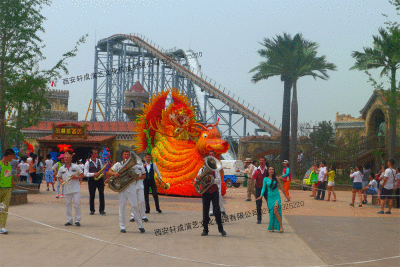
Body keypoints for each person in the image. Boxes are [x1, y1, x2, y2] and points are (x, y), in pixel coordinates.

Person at [106, 150, 146, 233]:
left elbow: (138, 175)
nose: (126, 156)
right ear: (122, 156)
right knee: (122, 207)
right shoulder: (118, 164)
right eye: (125, 154)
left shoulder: (134, 165)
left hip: (131, 187)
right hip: (122, 188)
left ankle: (140, 225)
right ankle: (122, 226)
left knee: (134, 206)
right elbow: (109, 172)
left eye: (128, 154)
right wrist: (114, 174)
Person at [195, 155, 226, 237]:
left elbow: (219, 180)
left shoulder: (215, 170)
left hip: (214, 192)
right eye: (204, 160)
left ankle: (221, 229)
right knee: (205, 212)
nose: (205, 162)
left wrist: (211, 180)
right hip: (205, 192)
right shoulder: (201, 170)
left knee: (217, 211)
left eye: (206, 160)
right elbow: (196, 180)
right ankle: (205, 230)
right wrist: (197, 178)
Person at [256, 166, 288, 233]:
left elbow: (282, 188)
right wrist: (261, 196)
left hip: (276, 196)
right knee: (272, 212)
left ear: (274, 170)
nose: (271, 170)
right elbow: (263, 188)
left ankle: (281, 226)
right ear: (268, 171)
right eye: (270, 169)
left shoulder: (276, 178)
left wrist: (286, 196)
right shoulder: (265, 179)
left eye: (272, 169)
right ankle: (272, 227)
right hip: (270, 196)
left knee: (276, 210)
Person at [56, 152, 84, 226]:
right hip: (66, 189)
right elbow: (59, 177)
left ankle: (77, 220)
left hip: (75, 188)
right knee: (68, 204)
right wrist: (62, 182)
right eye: (65, 157)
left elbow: (82, 175)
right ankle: (69, 220)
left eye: (68, 157)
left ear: (71, 159)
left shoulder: (76, 166)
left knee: (77, 204)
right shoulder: (61, 168)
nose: (66, 159)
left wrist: (76, 177)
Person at [84, 149, 106, 215]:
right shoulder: (87, 162)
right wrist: (93, 174)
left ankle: (102, 209)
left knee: (101, 194)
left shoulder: (99, 161)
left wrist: (102, 174)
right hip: (92, 180)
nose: (96, 155)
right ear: (91, 154)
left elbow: (101, 168)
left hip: (100, 180)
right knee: (92, 195)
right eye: (95, 153)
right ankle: (92, 210)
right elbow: (85, 173)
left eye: (96, 153)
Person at [0, 149, 17, 234]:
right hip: (0, 188)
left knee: (4, 208)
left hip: (7, 189)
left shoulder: (9, 164)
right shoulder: (0, 165)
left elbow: (8, 174)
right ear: (8, 155)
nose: (13, 158)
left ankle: (2, 227)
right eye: (12, 156)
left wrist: (12, 182)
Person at [209, 151, 226, 216]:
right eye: (210, 154)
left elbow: (221, 171)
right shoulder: (207, 162)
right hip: (210, 181)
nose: (211, 155)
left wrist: (220, 168)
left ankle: (222, 209)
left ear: (214, 155)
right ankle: (211, 210)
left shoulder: (218, 162)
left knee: (219, 196)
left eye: (212, 154)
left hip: (217, 180)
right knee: (210, 195)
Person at [252, 156, 268, 224]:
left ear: (265, 161)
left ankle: (272, 217)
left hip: (267, 189)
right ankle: (259, 218)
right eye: (260, 160)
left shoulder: (268, 169)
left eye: (263, 160)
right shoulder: (256, 169)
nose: (261, 162)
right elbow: (253, 177)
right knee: (258, 204)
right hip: (258, 188)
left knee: (270, 203)